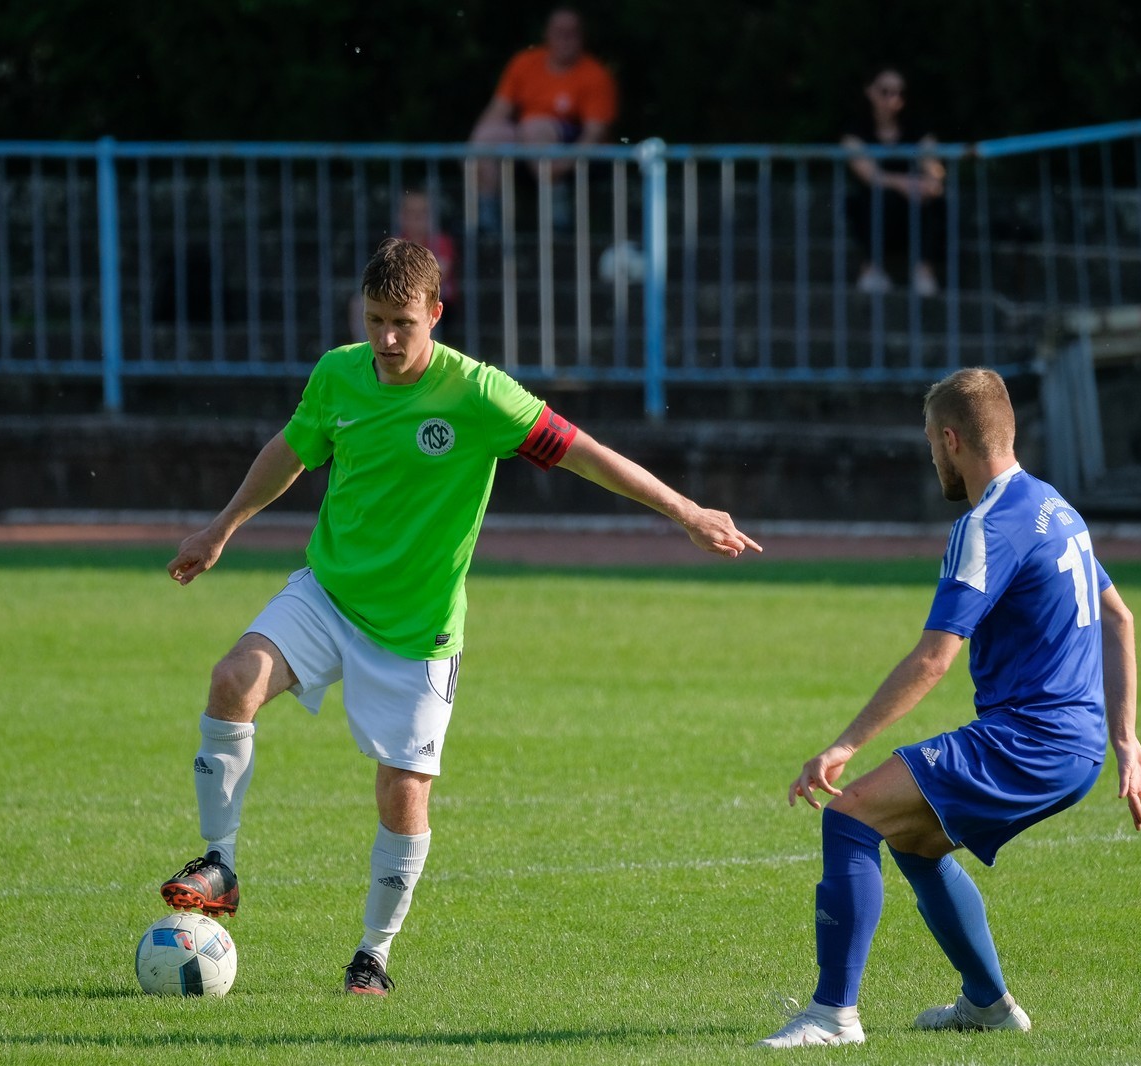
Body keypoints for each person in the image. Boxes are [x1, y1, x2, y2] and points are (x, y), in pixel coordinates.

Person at [162, 236, 761, 997]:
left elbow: (585, 453)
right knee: (232, 680)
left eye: (402, 324)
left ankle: (373, 954)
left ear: (436, 314)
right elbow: (291, 449)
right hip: (329, 594)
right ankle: (220, 863)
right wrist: (221, 528)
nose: (386, 340)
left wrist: (686, 512)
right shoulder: (339, 374)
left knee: (402, 792)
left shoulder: (479, 394)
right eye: (375, 320)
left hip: (418, 632)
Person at [760, 367, 1141, 1048]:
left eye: (929, 441)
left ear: (951, 440)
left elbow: (933, 660)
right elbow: (1119, 618)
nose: (931, 456)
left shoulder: (987, 526)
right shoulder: (1054, 506)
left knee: (851, 815)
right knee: (916, 841)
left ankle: (832, 1016)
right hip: (1074, 745)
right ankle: (987, 1005)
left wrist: (843, 745)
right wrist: (1125, 739)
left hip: (1029, 740)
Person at [467, 7, 618, 231]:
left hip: (572, 145)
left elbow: (594, 132)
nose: (565, 39)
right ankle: (487, 222)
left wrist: (564, 163)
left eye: (571, 33)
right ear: (546, 34)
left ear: (582, 37)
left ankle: (558, 218)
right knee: (487, 136)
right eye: (559, 32)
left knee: (535, 128)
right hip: (529, 141)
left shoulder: (595, 75)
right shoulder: (524, 63)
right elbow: (499, 109)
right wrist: (472, 150)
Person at [841, 66, 947, 298]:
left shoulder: (917, 127)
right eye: (885, 91)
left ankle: (924, 271)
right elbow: (869, 175)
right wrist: (905, 183)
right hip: (875, 206)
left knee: (933, 202)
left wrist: (933, 181)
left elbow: (933, 165)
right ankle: (871, 268)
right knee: (878, 199)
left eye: (900, 93)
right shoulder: (856, 130)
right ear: (870, 91)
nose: (893, 98)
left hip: (912, 206)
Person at [347, 191, 457, 339]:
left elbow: (438, 276)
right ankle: (366, 346)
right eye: (410, 212)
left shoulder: (441, 242)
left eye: (422, 212)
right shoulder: (395, 242)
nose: (417, 217)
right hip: (399, 294)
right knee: (360, 302)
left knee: (420, 304)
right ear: (400, 215)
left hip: (434, 298)